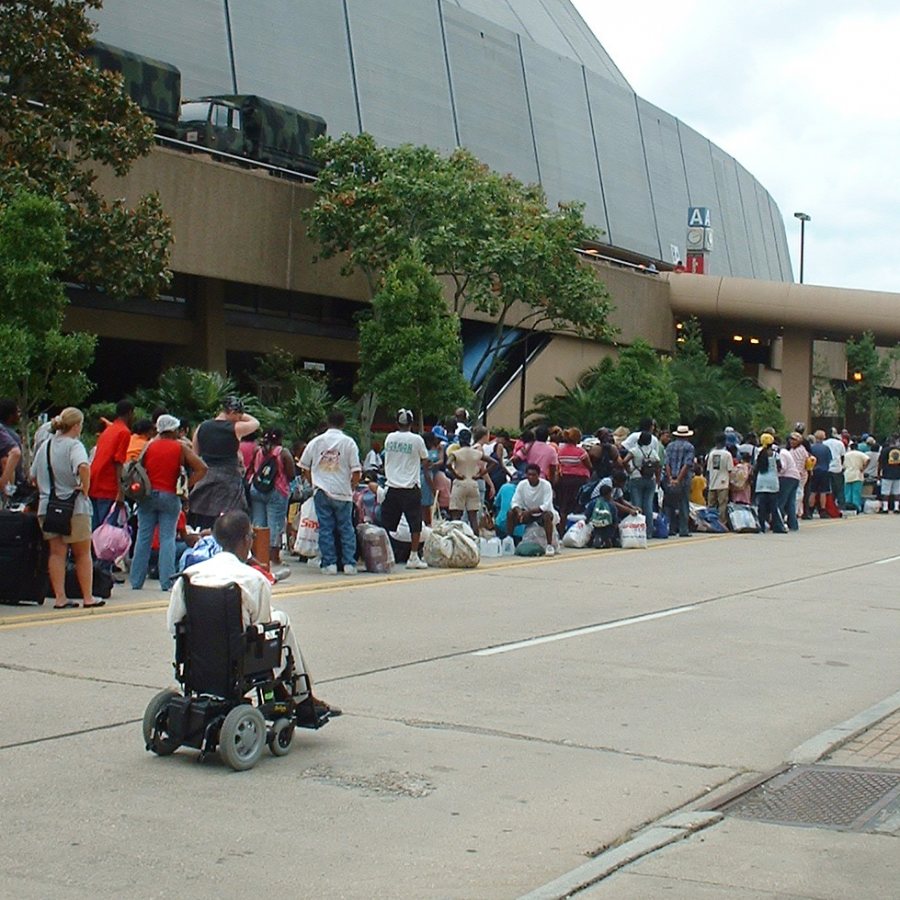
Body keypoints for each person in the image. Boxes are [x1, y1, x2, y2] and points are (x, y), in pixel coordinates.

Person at [167, 511, 340, 718]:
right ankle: (302, 696)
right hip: (238, 659)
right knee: (281, 621)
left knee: (277, 620)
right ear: (246, 540)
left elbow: (174, 624)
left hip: (199, 657)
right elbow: (262, 626)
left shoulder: (189, 576)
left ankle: (298, 695)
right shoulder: (253, 579)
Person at [29, 407, 104, 609]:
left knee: (56, 552)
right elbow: (83, 466)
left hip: (48, 506)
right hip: (74, 506)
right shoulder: (74, 445)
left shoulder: (45, 446)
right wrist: (85, 488)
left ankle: (60, 597)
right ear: (77, 425)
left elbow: (33, 476)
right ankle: (88, 597)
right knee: (82, 552)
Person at [131, 415, 208, 591]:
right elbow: (202, 468)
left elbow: (138, 468)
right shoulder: (180, 448)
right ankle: (167, 581)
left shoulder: (149, 446)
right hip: (170, 495)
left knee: (143, 537)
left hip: (147, 495)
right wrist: (185, 485)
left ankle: (136, 581)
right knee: (167, 538)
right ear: (174, 430)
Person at [300, 409, 361, 575]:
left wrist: (313, 482)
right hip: (343, 492)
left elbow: (304, 466)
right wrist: (352, 486)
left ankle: (329, 564)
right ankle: (349, 564)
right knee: (346, 528)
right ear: (343, 424)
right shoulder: (349, 443)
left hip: (321, 490)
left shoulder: (316, 442)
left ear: (327, 422)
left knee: (325, 528)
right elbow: (356, 471)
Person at [189, 397, 259, 528]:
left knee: (203, 518)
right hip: (229, 479)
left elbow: (195, 454)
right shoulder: (235, 428)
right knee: (230, 520)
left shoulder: (201, 427)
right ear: (232, 412)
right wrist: (243, 416)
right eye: (238, 415)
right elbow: (255, 423)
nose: (240, 418)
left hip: (205, 476)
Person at [382, 409, 429, 569]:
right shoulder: (417, 440)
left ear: (397, 423)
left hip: (392, 486)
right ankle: (413, 557)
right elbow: (425, 459)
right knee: (415, 524)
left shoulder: (389, 438)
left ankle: (386, 555)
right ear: (412, 424)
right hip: (410, 487)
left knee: (387, 524)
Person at [248, 427, 296, 567]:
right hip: (276, 490)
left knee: (258, 523)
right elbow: (291, 474)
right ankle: (273, 557)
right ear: (280, 438)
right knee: (274, 524)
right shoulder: (283, 452)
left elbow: (252, 468)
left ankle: (258, 554)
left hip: (257, 488)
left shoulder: (258, 451)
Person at [88, 399, 133, 531]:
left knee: (96, 530)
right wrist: (120, 491)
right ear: (130, 413)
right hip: (108, 486)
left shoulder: (108, 430)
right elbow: (118, 461)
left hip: (95, 482)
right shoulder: (124, 432)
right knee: (106, 532)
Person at [447, 428, 493, 533]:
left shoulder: (456, 453)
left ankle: (456, 540)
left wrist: (455, 474)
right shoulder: (476, 453)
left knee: (456, 518)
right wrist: (480, 475)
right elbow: (494, 462)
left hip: (460, 484)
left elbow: (448, 464)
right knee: (473, 519)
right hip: (473, 484)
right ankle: (475, 542)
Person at [508, 463, 557, 555]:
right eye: (529, 475)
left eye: (533, 475)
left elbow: (546, 506)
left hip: (541, 514)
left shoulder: (546, 485)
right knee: (510, 513)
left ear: (538, 475)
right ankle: (510, 541)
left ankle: (549, 545)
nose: (531, 477)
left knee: (547, 515)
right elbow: (514, 502)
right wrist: (519, 512)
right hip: (527, 514)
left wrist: (529, 512)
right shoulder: (522, 484)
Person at [555, 427, 592, 535]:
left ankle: (561, 532)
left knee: (563, 508)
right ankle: (578, 532)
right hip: (579, 481)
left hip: (564, 481)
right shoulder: (580, 452)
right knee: (578, 507)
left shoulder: (560, 451)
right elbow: (589, 465)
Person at [622, 429, 658, 533]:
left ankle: (638, 529)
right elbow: (658, 463)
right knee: (648, 505)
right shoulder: (653, 451)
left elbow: (624, 461)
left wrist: (629, 470)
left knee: (636, 504)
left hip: (636, 477)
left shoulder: (634, 450)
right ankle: (649, 530)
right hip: (650, 479)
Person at [664, 425, 695, 537]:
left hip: (670, 478)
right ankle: (683, 529)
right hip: (684, 479)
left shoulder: (670, 446)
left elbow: (666, 463)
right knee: (683, 503)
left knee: (670, 504)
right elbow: (687, 465)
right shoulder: (689, 447)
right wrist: (678, 479)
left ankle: (670, 528)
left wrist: (670, 478)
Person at [754, 434, 786, 533]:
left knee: (761, 507)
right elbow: (780, 467)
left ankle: (762, 527)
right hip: (773, 482)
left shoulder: (758, 452)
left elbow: (755, 467)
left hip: (761, 482)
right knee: (774, 507)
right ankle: (776, 527)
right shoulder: (775, 454)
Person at [0, 398, 24, 503]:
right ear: (10, 416)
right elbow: (6, 460)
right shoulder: (10, 435)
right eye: (17, 412)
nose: (19, 415)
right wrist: (4, 483)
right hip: (8, 488)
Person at [706, 434, 734, 524]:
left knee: (711, 504)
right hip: (723, 483)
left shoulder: (711, 454)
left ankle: (711, 522)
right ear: (724, 442)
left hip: (712, 482)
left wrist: (708, 482)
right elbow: (730, 470)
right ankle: (722, 523)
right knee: (722, 504)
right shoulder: (727, 454)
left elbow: (708, 470)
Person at [777, 434, 802, 531]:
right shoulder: (787, 452)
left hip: (787, 477)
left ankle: (779, 523)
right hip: (795, 477)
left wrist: (777, 473)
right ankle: (793, 524)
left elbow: (783, 468)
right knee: (791, 502)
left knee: (781, 502)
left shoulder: (782, 453)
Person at [807, 430, 833, 517]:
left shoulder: (812, 448)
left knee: (813, 491)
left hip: (814, 471)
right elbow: (829, 460)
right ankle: (822, 510)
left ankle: (810, 510)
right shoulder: (826, 448)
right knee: (823, 492)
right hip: (824, 471)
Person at [842, 443, 869, 513]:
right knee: (856, 492)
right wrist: (863, 468)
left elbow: (842, 461)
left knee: (847, 492)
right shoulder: (860, 454)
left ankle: (848, 507)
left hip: (847, 474)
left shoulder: (846, 454)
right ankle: (856, 507)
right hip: (857, 474)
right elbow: (868, 459)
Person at [877, 435, 900, 513]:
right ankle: (896, 508)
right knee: (897, 492)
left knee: (885, 492)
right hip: (898, 474)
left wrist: (878, 474)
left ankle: (885, 508)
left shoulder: (884, 450)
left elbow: (880, 463)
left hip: (887, 473)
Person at [823, 429, 846, 508]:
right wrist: (841, 465)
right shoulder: (840, 443)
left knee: (828, 489)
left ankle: (829, 505)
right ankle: (841, 506)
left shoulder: (824, 443)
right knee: (839, 489)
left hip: (826, 468)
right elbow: (842, 456)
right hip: (837, 469)